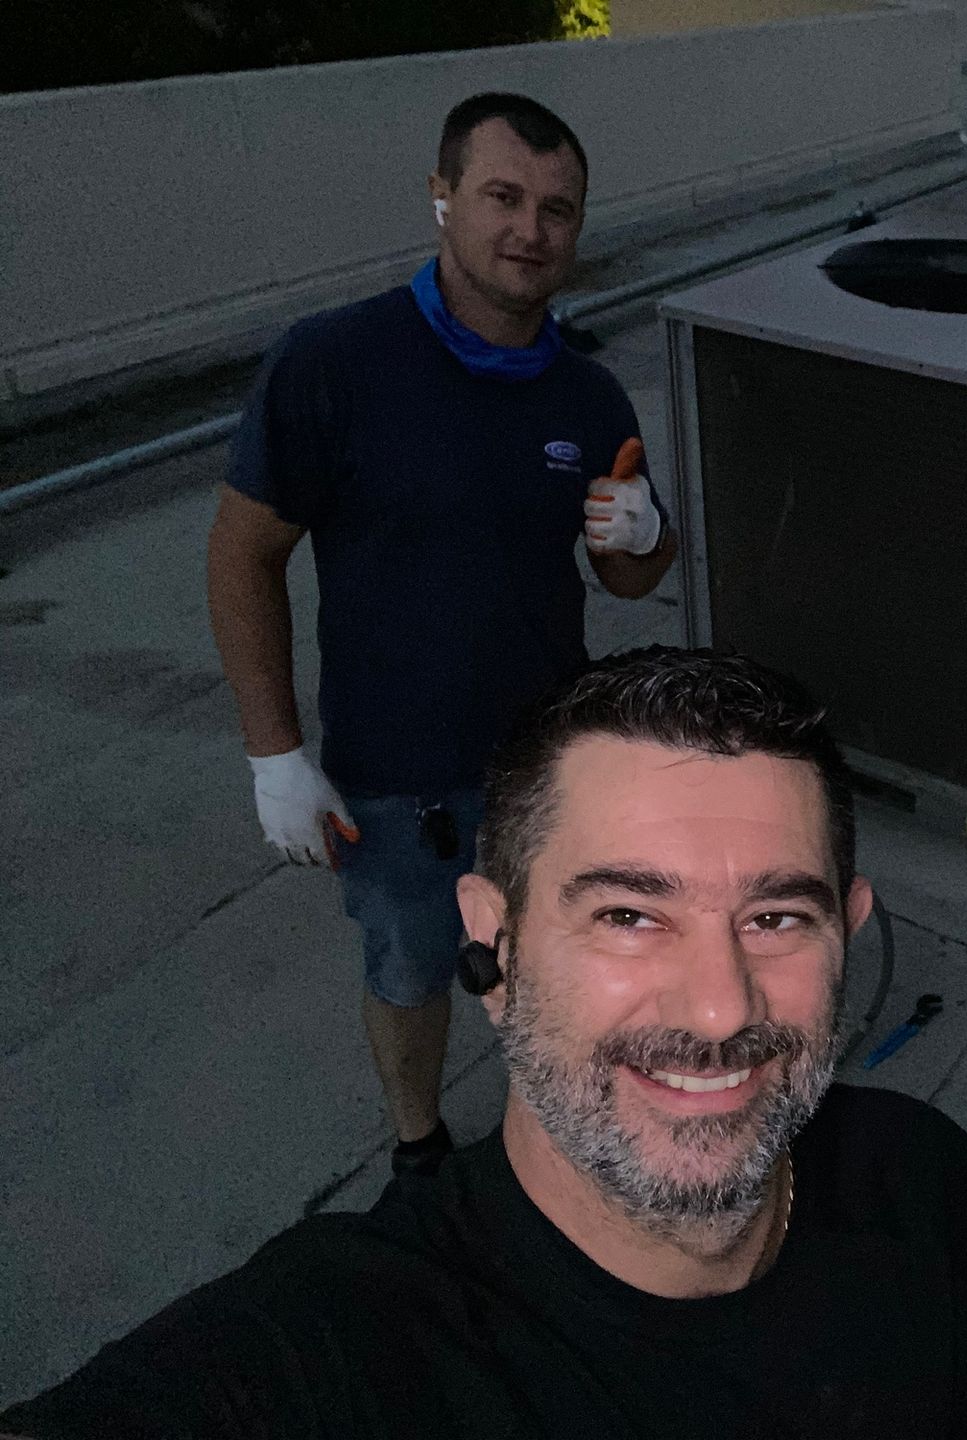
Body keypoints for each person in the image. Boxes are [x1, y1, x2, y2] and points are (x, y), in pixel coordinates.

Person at [3, 648, 967, 1440]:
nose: (722, 1008)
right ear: (493, 948)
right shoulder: (343, 1350)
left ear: (849, 933)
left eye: (774, 916)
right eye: (628, 913)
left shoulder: (917, 1175)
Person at [205, 93, 675, 1179]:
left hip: (551, 764)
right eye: (503, 197)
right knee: (414, 967)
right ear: (442, 197)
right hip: (395, 774)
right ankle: (420, 1148)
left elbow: (627, 570)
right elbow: (242, 553)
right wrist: (274, 752)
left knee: (553, 969)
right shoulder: (336, 364)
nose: (530, 230)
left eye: (558, 209)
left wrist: (647, 531)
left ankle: (551, 1139)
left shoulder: (588, 391)